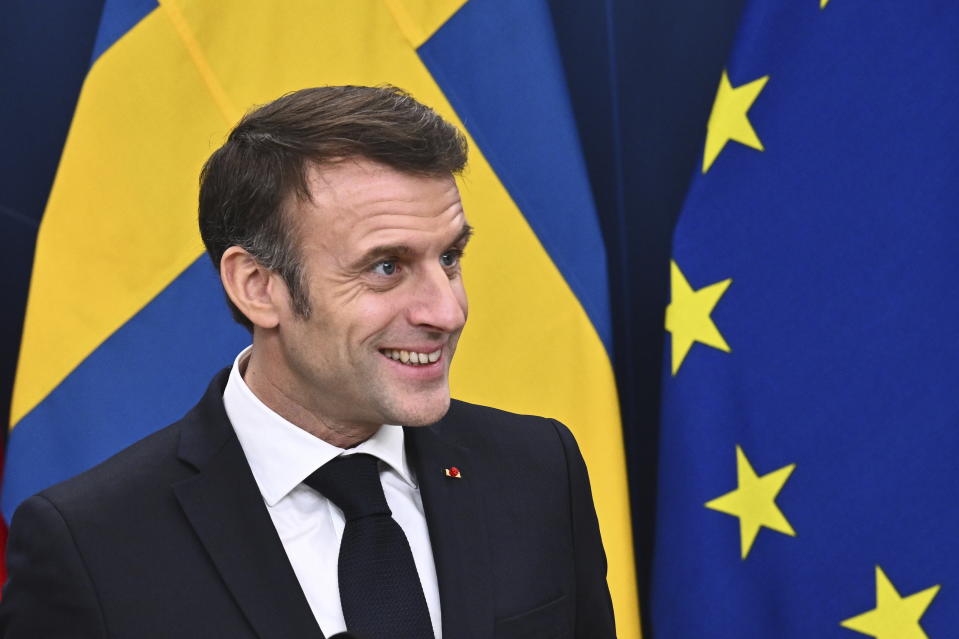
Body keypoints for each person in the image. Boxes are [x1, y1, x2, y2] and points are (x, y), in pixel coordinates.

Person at [0, 86, 615, 639]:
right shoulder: (93, 544)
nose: (447, 310)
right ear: (258, 286)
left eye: (449, 258)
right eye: (386, 267)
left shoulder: (537, 470)